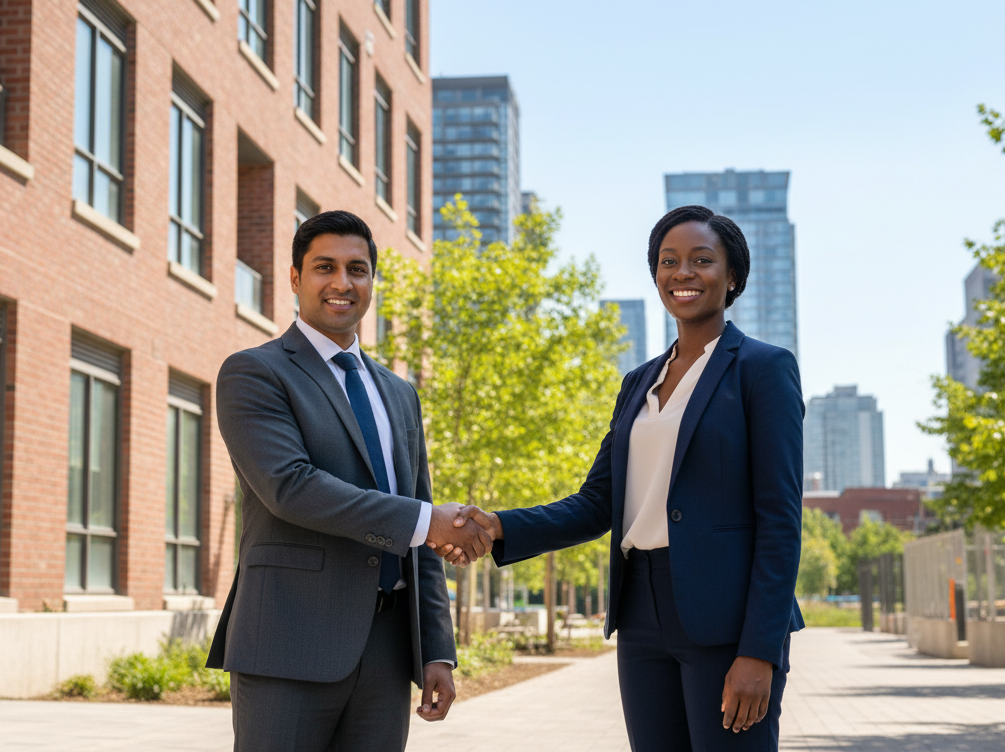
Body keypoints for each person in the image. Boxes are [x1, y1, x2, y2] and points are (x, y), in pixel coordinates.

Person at [436, 205, 805, 751]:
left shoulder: (763, 368)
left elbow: (780, 520)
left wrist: (759, 649)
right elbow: (598, 501)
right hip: (641, 612)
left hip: (725, 620)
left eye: (702, 260)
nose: (683, 273)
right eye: (668, 261)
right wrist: (498, 527)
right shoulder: (639, 382)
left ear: (732, 278)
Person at [205, 210, 493, 751]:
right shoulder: (255, 373)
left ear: (371, 282)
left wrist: (436, 649)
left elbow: (420, 526)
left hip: (386, 653)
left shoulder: (399, 393)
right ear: (295, 278)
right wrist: (428, 520)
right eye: (324, 267)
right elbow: (290, 486)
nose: (342, 283)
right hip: (289, 643)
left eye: (357, 269)